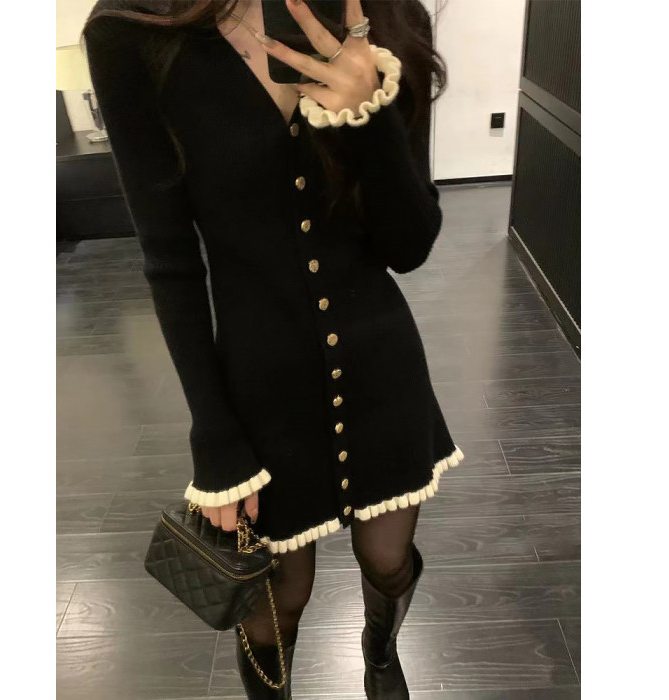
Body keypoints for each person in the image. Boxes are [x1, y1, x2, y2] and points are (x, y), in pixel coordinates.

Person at [83, 0, 464, 697]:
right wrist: (214, 439)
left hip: (381, 366)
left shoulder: (393, 17)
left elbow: (409, 247)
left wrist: (369, 116)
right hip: (259, 386)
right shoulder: (135, 31)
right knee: (276, 601)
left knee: (388, 562)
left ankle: (380, 653)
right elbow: (170, 260)